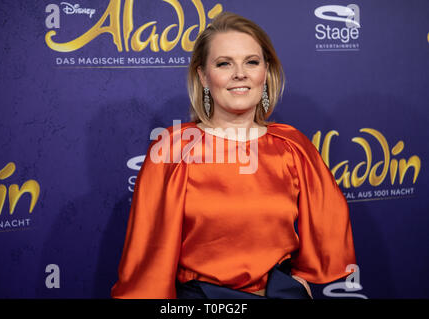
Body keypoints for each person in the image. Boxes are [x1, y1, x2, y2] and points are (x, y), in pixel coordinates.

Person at [111, 12, 356, 299]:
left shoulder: (291, 145)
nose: (240, 73)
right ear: (203, 76)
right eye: (224, 63)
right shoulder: (174, 148)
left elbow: (328, 219)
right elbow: (147, 251)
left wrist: (300, 280)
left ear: (266, 71)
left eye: (251, 62)